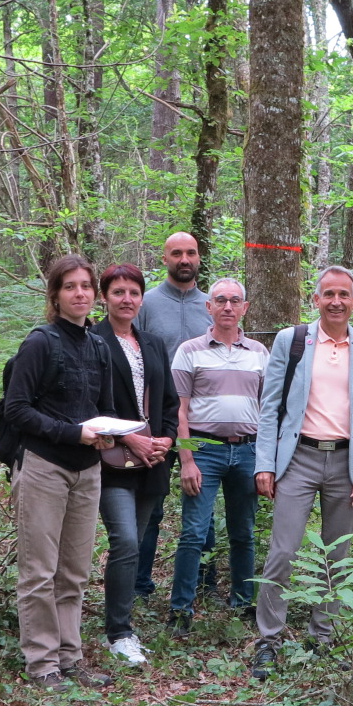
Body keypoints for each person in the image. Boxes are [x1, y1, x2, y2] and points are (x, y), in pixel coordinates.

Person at [251, 266, 353, 679]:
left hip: (346, 463)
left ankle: (321, 636)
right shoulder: (292, 341)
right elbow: (270, 407)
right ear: (316, 299)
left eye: (344, 295)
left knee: (336, 557)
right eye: (328, 294)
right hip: (298, 459)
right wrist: (265, 464)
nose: (336, 302)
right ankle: (268, 640)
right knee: (283, 552)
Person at [1, 254, 115, 690]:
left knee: (74, 571)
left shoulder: (99, 345)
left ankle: (70, 657)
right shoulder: (40, 343)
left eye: (87, 286)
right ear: (55, 295)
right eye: (71, 286)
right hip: (44, 467)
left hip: (88, 470)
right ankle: (42, 663)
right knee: (39, 571)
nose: (80, 293)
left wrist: (104, 433)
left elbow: (97, 409)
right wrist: (73, 434)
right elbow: (17, 410)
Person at [167, 278, 269, 636]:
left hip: (247, 450)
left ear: (245, 308)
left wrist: (266, 462)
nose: (228, 306)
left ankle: (243, 602)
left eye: (235, 301)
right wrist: (187, 460)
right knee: (193, 533)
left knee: (244, 533)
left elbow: (269, 409)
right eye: (220, 300)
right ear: (208, 306)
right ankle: (181, 610)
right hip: (204, 450)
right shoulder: (189, 350)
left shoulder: (258, 352)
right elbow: (178, 410)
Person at [92, 263, 177, 664]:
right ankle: (119, 632)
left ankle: (122, 619)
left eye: (133, 292)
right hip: (110, 461)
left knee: (139, 540)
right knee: (124, 540)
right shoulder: (93, 341)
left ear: (143, 298)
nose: (126, 300)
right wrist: (128, 437)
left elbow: (170, 403)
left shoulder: (154, 343)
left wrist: (167, 438)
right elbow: (87, 405)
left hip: (153, 461)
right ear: (103, 297)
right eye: (118, 292)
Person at [134, 232, 214, 599]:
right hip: (153, 421)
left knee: (203, 500)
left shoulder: (212, 306)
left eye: (191, 253)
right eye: (177, 253)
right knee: (149, 505)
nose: (185, 259)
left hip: (200, 422)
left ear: (199, 258)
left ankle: (204, 577)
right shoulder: (146, 304)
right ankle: (138, 583)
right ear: (164, 258)